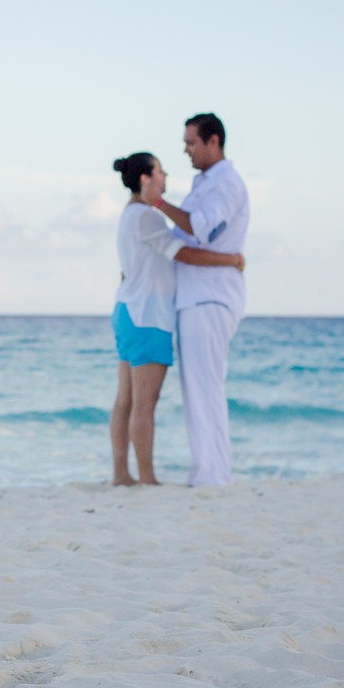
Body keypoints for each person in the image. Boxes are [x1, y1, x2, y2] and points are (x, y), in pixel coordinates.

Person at [110, 152, 244, 486]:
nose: (165, 176)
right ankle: (147, 478)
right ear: (146, 178)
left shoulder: (129, 214)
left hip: (127, 310)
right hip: (148, 314)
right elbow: (182, 253)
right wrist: (230, 259)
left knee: (125, 399)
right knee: (144, 403)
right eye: (160, 171)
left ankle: (121, 474)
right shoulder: (147, 217)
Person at [155, 114, 249, 486]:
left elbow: (204, 229)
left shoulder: (226, 184)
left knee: (205, 388)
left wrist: (159, 205)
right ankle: (207, 471)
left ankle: (213, 475)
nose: (185, 149)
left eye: (191, 143)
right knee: (197, 390)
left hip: (210, 298)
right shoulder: (206, 184)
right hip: (196, 298)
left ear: (213, 141)